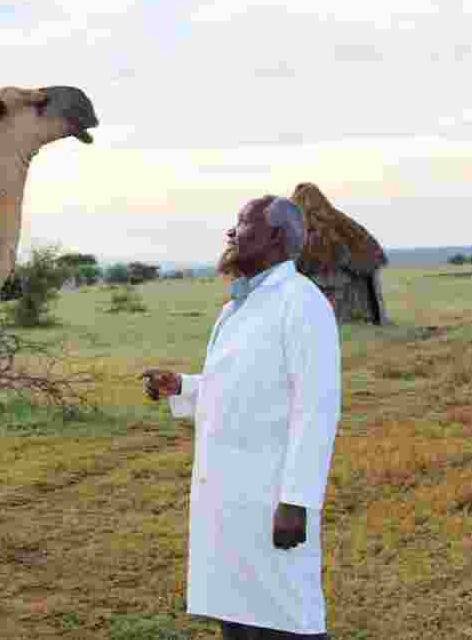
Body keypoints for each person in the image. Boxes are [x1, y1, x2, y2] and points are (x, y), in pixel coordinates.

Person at [142, 195, 341, 639]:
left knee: (287, 615)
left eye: (242, 224)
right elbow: (238, 388)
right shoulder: (236, 308)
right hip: (232, 500)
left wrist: (297, 501)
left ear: (274, 236)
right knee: (241, 617)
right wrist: (184, 387)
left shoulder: (301, 302)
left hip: (270, 497)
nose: (231, 232)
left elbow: (317, 407)